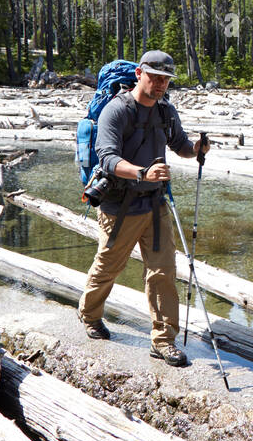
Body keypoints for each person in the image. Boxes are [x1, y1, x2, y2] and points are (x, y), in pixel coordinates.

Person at [78, 50, 209, 364]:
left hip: (155, 203)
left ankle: (163, 341)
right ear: (139, 74)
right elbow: (107, 157)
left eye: (166, 79)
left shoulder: (165, 111)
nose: (161, 84)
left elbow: (179, 145)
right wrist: (141, 173)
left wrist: (196, 149)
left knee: (163, 272)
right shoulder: (116, 111)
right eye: (155, 77)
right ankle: (90, 315)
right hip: (118, 207)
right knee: (108, 267)